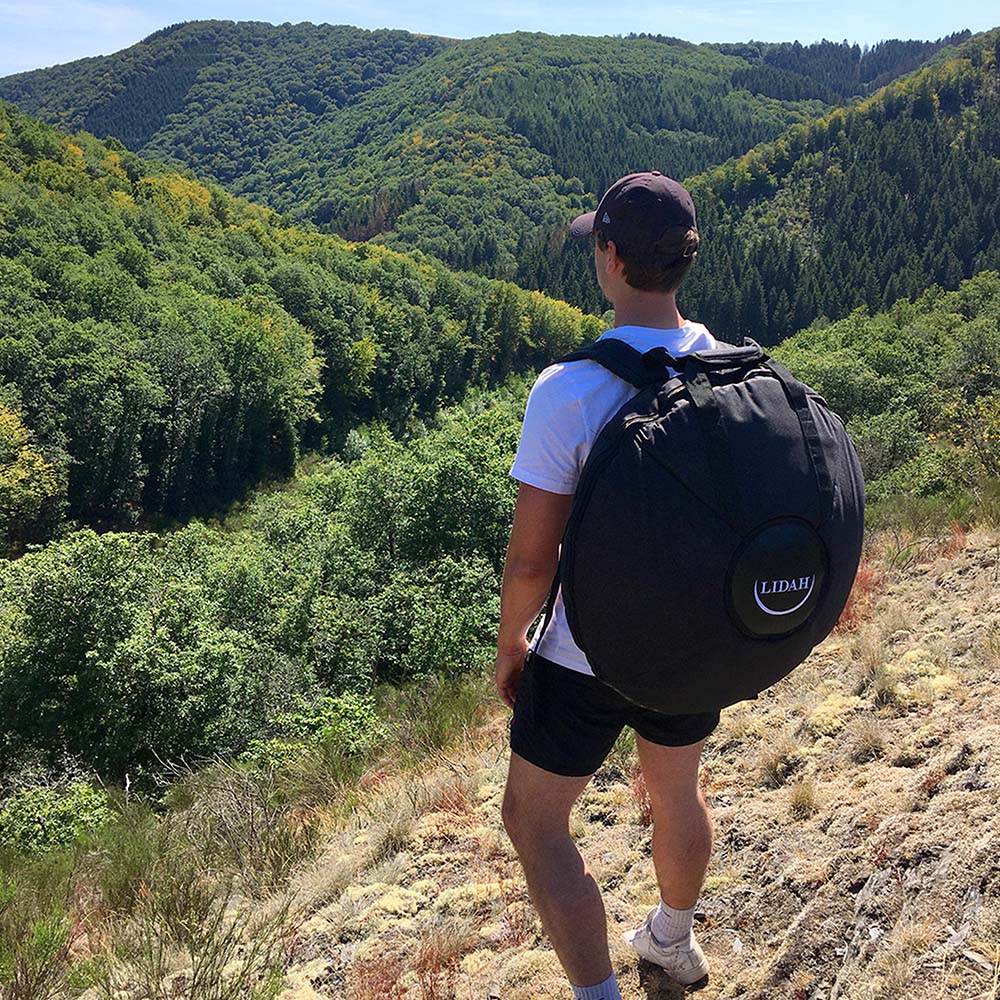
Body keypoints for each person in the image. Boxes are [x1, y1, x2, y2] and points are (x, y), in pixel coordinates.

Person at [495, 171, 718, 999]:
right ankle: (673, 941)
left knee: (535, 822)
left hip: (583, 655)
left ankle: (598, 994)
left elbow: (530, 562)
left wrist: (513, 642)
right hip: (693, 644)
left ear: (611, 257)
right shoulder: (723, 366)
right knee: (676, 790)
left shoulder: (569, 390)